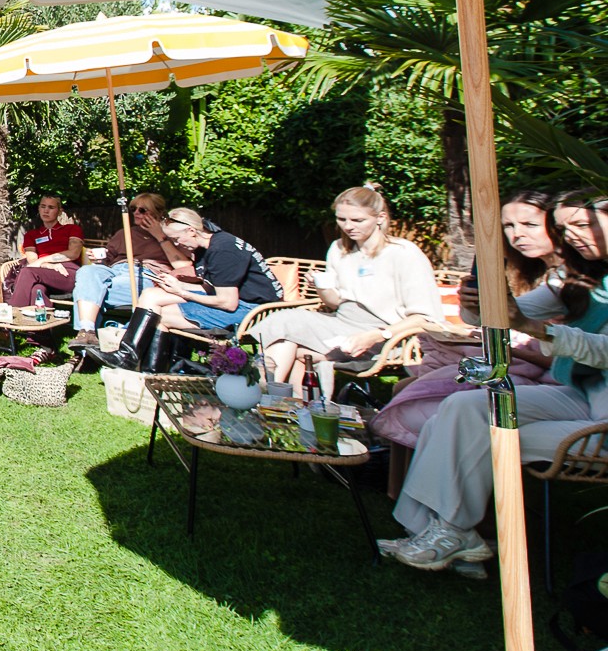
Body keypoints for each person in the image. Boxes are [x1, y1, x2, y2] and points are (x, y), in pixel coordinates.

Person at [380, 200, 608, 571]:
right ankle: (435, 532)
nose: (572, 237)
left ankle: (450, 535)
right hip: (583, 397)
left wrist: (533, 328)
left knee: (483, 435)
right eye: (565, 229)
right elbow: (506, 313)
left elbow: (602, 350)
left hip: (602, 423)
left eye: (581, 225)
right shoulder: (576, 278)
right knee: (458, 409)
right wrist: (477, 302)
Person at [371, 190, 565, 450]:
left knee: (423, 405)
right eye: (509, 226)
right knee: (407, 388)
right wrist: (471, 302)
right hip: (517, 362)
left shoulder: (568, 281)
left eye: (530, 225)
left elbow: (557, 352)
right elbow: (484, 319)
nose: (517, 234)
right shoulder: (526, 272)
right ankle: (393, 485)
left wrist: (501, 340)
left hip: (551, 378)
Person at [250, 186, 443, 402]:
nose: (348, 226)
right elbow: (335, 303)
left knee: (288, 337)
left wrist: (378, 335)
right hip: (340, 324)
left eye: (357, 220)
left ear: (380, 218)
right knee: (286, 331)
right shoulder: (340, 249)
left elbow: (425, 317)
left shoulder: (403, 254)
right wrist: (321, 287)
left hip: (386, 334)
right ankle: (290, 405)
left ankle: (267, 398)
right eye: (341, 219)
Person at [98, 208, 282, 372]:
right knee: (151, 295)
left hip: (254, 311)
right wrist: (177, 285)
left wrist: (182, 292)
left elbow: (227, 302)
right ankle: (130, 357)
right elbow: (211, 287)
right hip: (236, 301)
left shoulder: (223, 250)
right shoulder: (206, 246)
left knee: (159, 317)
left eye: (177, 239)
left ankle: (154, 371)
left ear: (192, 231)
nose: (176, 244)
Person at [67, 192, 196, 350]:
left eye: (142, 210)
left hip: (145, 274)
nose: (135, 213)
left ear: (158, 213)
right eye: (133, 208)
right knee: (87, 273)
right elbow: (108, 257)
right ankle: (87, 331)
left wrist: (159, 236)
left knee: (87, 292)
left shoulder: (171, 234)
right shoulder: (126, 233)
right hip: (115, 270)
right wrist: (99, 256)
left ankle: (86, 348)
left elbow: (182, 265)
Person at [5, 195, 83, 309]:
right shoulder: (31, 235)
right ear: (39, 209)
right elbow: (33, 261)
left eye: (51, 207)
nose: (46, 210)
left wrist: (43, 260)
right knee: (37, 290)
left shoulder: (72, 229)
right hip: (41, 273)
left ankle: (12, 319)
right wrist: (48, 266)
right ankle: (41, 325)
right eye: (43, 206)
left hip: (67, 272)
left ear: (60, 211)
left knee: (27, 272)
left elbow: (73, 253)